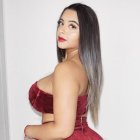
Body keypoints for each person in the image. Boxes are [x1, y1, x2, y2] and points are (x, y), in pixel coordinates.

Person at [24, 2, 104, 140]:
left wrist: (27, 130)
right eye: (61, 23)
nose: (62, 30)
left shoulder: (65, 69)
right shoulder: (84, 68)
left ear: (86, 33)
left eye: (72, 26)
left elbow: (62, 130)